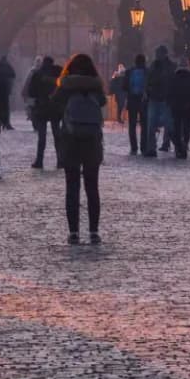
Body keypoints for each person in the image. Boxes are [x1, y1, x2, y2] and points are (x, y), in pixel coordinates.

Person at [54, 53, 109, 244]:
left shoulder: (66, 85)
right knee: (92, 187)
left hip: (71, 139)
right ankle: (94, 231)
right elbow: (103, 102)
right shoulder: (95, 86)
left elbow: (55, 102)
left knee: (72, 186)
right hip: (92, 140)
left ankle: (74, 232)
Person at [27, 55, 62, 168]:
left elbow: (31, 92)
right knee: (57, 135)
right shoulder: (58, 73)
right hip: (55, 108)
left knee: (41, 137)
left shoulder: (37, 74)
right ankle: (60, 161)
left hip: (41, 108)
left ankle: (39, 161)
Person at [145, 47, 177, 156]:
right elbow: (148, 80)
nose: (157, 55)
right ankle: (151, 149)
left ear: (164, 54)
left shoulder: (171, 66)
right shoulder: (154, 65)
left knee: (170, 125)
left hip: (165, 99)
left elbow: (172, 82)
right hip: (154, 98)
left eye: (158, 53)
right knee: (151, 125)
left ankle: (179, 147)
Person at [169, 57, 190, 160]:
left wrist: (170, 103)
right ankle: (184, 145)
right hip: (188, 107)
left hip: (176, 107)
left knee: (176, 128)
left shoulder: (173, 78)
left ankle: (178, 147)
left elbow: (168, 92)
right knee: (186, 128)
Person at [124, 54, 151, 156]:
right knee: (144, 124)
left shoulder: (129, 72)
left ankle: (134, 147)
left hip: (132, 99)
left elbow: (124, 86)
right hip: (143, 100)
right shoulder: (147, 72)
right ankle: (143, 147)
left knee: (132, 125)